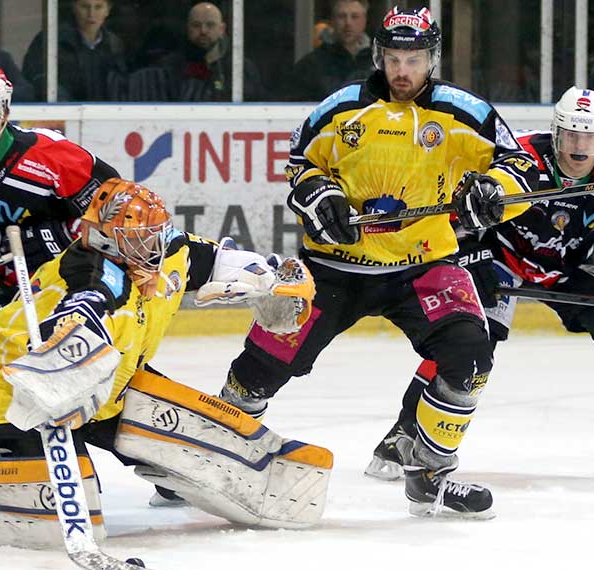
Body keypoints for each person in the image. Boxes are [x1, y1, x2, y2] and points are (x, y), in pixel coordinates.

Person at [0, 178, 328, 548]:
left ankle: (242, 477)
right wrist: (58, 373)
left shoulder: (168, 250)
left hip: (110, 383)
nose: (153, 246)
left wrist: (277, 278)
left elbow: (228, 263)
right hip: (13, 386)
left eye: (156, 235)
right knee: (59, 509)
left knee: (202, 437)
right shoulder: (95, 269)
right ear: (108, 236)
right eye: (140, 238)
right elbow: (84, 311)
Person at [218, 6, 538, 519]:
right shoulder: (342, 107)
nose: (403, 70)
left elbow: (518, 167)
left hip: (422, 265)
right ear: (379, 56)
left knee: (469, 353)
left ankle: (429, 469)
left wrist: (492, 192)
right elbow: (300, 164)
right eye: (393, 58)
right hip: (333, 269)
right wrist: (319, 194)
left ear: (432, 58)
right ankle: (208, 448)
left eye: (414, 59)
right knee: (263, 365)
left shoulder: (465, 113)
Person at [366, 86, 594, 483]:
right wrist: (471, 260)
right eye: (572, 136)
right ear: (556, 132)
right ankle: (405, 431)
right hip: (500, 260)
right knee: (463, 340)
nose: (580, 147)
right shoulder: (520, 157)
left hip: (568, 268)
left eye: (592, 137)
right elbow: (461, 213)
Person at [0, 60, 119, 365]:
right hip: (9, 282)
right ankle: (6, 377)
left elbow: (117, 209)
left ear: (2, 111)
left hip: (67, 278)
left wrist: (56, 237)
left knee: (61, 333)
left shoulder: (50, 156)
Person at [128, 2, 263, 102]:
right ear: (188, 29)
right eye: (196, 25)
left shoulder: (241, 68)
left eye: (210, 25)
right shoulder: (170, 67)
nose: (203, 31)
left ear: (222, 29)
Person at [22, 0, 127, 101]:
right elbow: (35, 79)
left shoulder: (115, 46)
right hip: (62, 115)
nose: (91, 14)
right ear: (74, 7)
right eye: (85, 6)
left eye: (98, 7)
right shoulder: (51, 40)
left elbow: (122, 87)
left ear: (108, 10)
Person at [286, 0, 374, 101]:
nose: (348, 23)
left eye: (355, 16)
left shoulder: (378, 62)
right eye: (341, 16)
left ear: (365, 20)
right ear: (332, 20)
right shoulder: (311, 64)